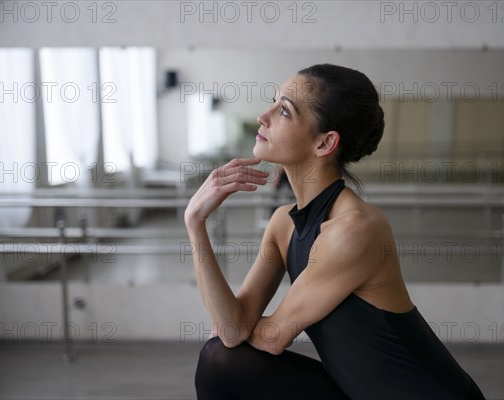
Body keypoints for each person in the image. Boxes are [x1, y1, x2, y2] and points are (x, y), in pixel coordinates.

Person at [184, 64, 485, 400]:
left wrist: (232, 330)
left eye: (284, 110)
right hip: (356, 392)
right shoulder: (284, 222)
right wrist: (195, 222)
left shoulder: (355, 228)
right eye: (272, 102)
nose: (262, 117)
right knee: (221, 360)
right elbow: (232, 331)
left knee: (222, 356)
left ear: (325, 143)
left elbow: (267, 338)